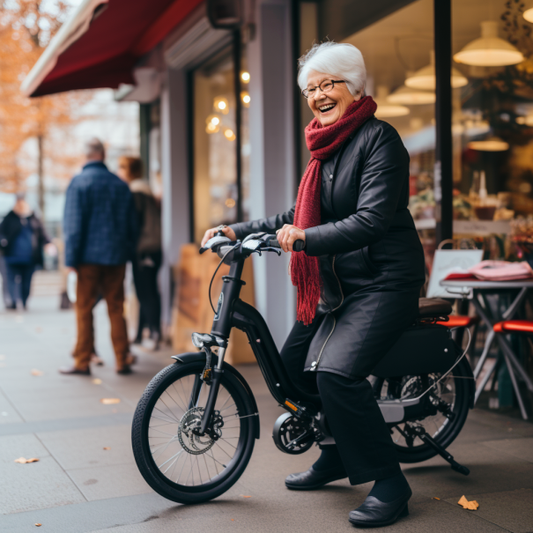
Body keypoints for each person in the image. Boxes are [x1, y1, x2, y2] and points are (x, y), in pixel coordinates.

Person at [201, 42, 425, 528]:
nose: (319, 95)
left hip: (385, 281)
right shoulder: (325, 148)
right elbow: (295, 215)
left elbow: (370, 220)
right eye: (311, 88)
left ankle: (390, 483)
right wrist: (236, 230)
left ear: (353, 86)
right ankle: (337, 454)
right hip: (341, 286)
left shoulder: (379, 140)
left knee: (336, 375)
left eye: (329, 84)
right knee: (293, 372)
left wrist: (304, 240)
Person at [60, 138, 137, 376]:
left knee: (83, 308)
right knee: (116, 307)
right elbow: (132, 225)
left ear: (86, 156)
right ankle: (122, 358)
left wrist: (70, 260)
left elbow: (73, 227)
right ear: (103, 155)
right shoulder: (120, 184)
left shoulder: (78, 183)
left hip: (87, 259)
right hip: (116, 257)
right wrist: (127, 252)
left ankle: (82, 360)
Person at [117, 156, 162, 350]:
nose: (119, 172)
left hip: (144, 249)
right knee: (146, 290)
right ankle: (141, 334)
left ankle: (153, 333)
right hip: (154, 248)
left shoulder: (135, 192)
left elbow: (133, 225)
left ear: (129, 170)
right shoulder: (147, 190)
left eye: (121, 168)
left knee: (146, 292)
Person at [0, 193, 52, 310]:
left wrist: (48, 244)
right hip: (11, 257)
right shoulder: (9, 217)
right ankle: (12, 302)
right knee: (10, 281)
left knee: (26, 282)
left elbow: (42, 233)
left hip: (29, 257)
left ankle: (24, 301)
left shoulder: (33, 218)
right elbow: (1, 233)